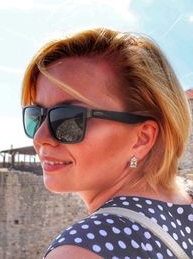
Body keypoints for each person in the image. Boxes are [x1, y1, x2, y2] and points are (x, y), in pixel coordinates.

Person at [21, 28, 193, 258]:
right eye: (36, 116)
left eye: (69, 118)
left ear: (141, 138)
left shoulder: (81, 250)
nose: (40, 137)